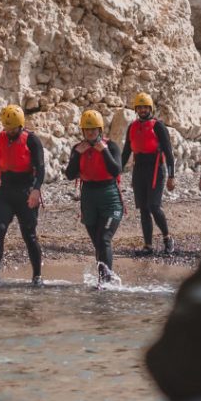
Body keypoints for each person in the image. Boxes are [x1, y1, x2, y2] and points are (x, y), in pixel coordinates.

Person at [0, 104, 46, 287]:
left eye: (12, 128)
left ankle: (37, 276)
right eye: (6, 128)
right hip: (5, 191)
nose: (9, 131)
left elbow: (40, 168)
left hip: (26, 192)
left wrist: (36, 190)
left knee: (29, 234)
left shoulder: (32, 140)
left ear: (20, 125)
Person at [65, 109, 126, 284]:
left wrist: (104, 151)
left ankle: (106, 281)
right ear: (82, 131)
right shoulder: (77, 148)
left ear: (100, 130)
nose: (90, 133)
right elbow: (70, 174)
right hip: (89, 197)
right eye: (87, 130)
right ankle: (102, 279)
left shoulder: (111, 146)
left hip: (110, 197)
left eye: (94, 130)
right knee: (97, 243)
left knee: (104, 239)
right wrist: (77, 154)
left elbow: (116, 170)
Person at [122, 92, 177, 255]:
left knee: (154, 206)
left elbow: (168, 151)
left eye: (145, 107)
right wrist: (115, 172)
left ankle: (167, 238)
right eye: (140, 107)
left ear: (150, 108)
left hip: (155, 169)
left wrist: (171, 176)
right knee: (144, 209)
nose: (143, 110)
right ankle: (148, 245)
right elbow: (126, 153)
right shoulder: (132, 127)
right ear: (136, 109)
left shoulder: (158, 125)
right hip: (139, 169)